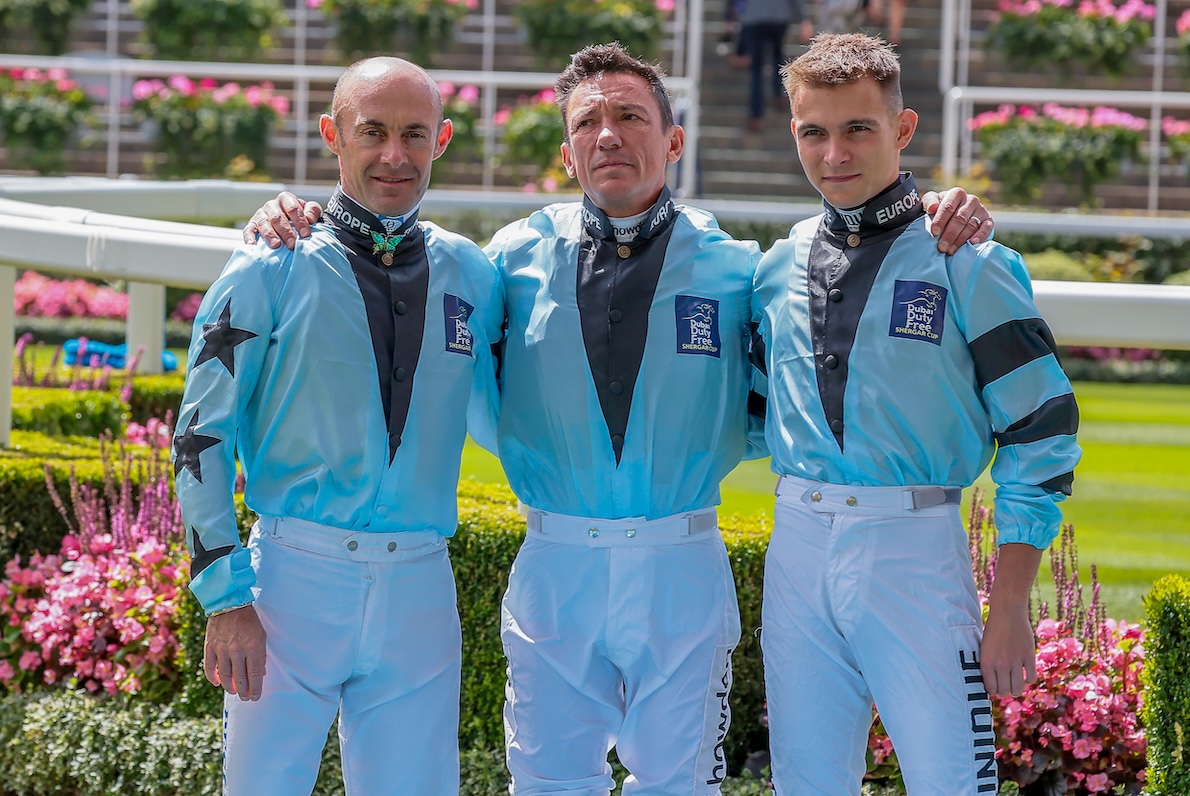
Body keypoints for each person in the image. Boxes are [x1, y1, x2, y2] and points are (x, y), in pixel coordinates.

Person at [243, 43, 992, 795]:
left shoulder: (741, 269)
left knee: (679, 785)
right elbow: (442, 358)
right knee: (545, 782)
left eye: (631, 116)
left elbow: (791, 395)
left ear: (673, 141)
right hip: (555, 560)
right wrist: (293, 210)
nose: (609, 135)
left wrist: (934, 206)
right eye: (588, 122)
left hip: (683, 559)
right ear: (567, 153)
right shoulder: (507, 264)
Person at [751, 33, 1082, 794]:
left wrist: (1009, 605)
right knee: (805, 781)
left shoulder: (970, 260)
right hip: (796, 543)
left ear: (902, 130)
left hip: (914, 546)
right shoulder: (775, 267)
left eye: (858, 128)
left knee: (953, 781)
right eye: (814, 131)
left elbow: (1043, 433)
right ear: (794, 131)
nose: (835, 152)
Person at [172, 56, 503, 795]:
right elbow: (199, 436)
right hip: (293, 581)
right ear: (332, 134)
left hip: (420, 581)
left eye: (414, 134)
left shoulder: (473, 273)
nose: (395, 154)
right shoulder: (268, 264)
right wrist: (225, 597)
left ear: (442, 139)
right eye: (373, 131)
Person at [739, 0, 809, 132]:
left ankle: (757, 115)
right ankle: (779, 93)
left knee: (757, 68)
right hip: (778, 15)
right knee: (777, 55)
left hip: (754, 16)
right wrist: (803, 19)